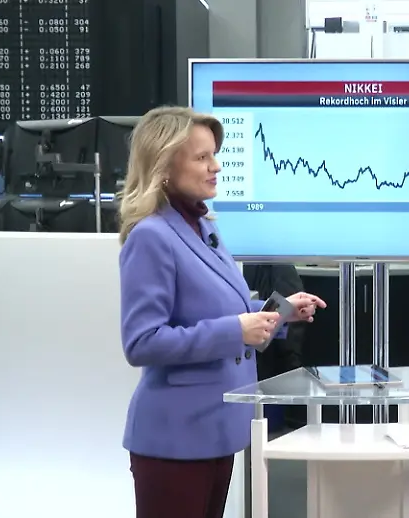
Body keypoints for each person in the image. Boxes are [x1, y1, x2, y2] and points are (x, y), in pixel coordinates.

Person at [116, 106, 326, 518]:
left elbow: (225, 310)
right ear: (164, 165)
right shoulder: (151, 236)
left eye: (214, 155)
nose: (216, 166)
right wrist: (235, 331)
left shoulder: (203, 227)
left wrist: (280, 312)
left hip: (215, 431)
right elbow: (142, 342)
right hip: (174, 438)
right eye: (202, 157)